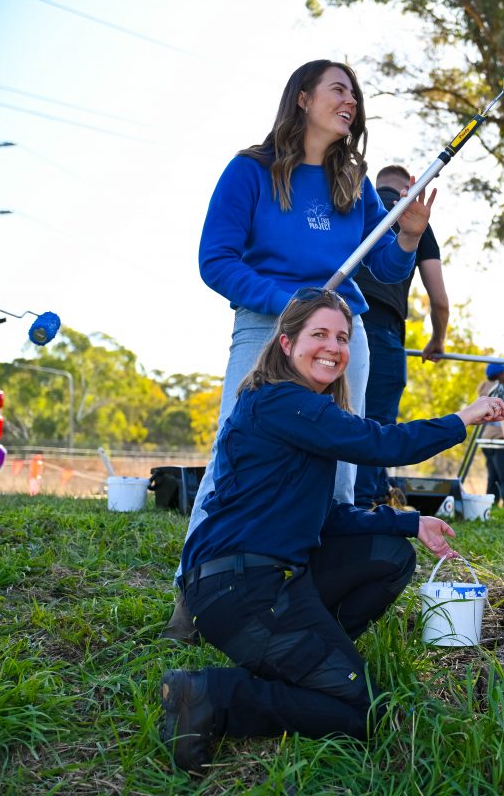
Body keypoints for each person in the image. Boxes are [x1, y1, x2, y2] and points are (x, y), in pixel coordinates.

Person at [159, 290, 504, 774]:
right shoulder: (282, 401)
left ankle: (310, 654)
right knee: (363, 713)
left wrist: (410, 521)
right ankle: (212, 695)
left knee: (390, 553)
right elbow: (381, 441)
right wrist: (462, 418)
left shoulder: (299, 415)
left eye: (342, 337)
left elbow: (327, 518)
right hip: (243, 589)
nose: (334, 347)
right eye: (318, 334)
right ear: (286, 343)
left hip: (262, 581)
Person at [162, 60, 437, 643]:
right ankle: (193, 593)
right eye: (340, 89)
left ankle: (306, 591)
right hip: (268, 323)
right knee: (231, 454)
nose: (351, 101)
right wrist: (294, 305)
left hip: (344, 330)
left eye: (355, 94)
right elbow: (217, 260)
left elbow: (383, 267)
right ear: (304, 98)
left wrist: (408, 234)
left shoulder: (355, 183)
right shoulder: (251, 172)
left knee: (338, 462)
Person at [353, 163, 450, 510]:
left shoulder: (354, 202)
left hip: (335, 324)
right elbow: (438, 300)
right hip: (381, 330)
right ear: (404, 186)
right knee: (376, 426)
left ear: (378, 185)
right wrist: (437, 340)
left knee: (336, 420)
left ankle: (373, 497)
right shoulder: (415, 217)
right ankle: (364, 511)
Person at [478, 363, 504, 506]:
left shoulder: (485, 392)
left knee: (493, 476)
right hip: (500, 440)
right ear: (499, 375)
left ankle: (490, 505)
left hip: (487, 440)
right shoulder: (498, 392)